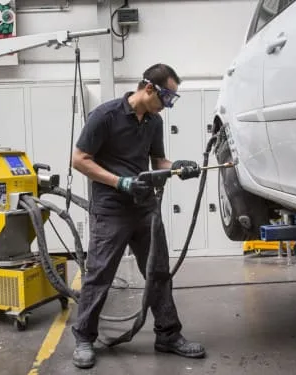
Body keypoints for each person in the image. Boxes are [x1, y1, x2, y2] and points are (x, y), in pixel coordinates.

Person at [70, 63, 206, 369]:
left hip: (144, 208)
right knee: (99, 274)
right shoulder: (105, 116)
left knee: (158, 272)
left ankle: (168, 335)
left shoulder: (154, 121)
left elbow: (157, 160)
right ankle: (83, 338)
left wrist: (177, 168)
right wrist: (120, 182)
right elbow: (79, 160)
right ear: (148, 89)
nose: (168, 105)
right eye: (167, 97)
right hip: (112, 210)